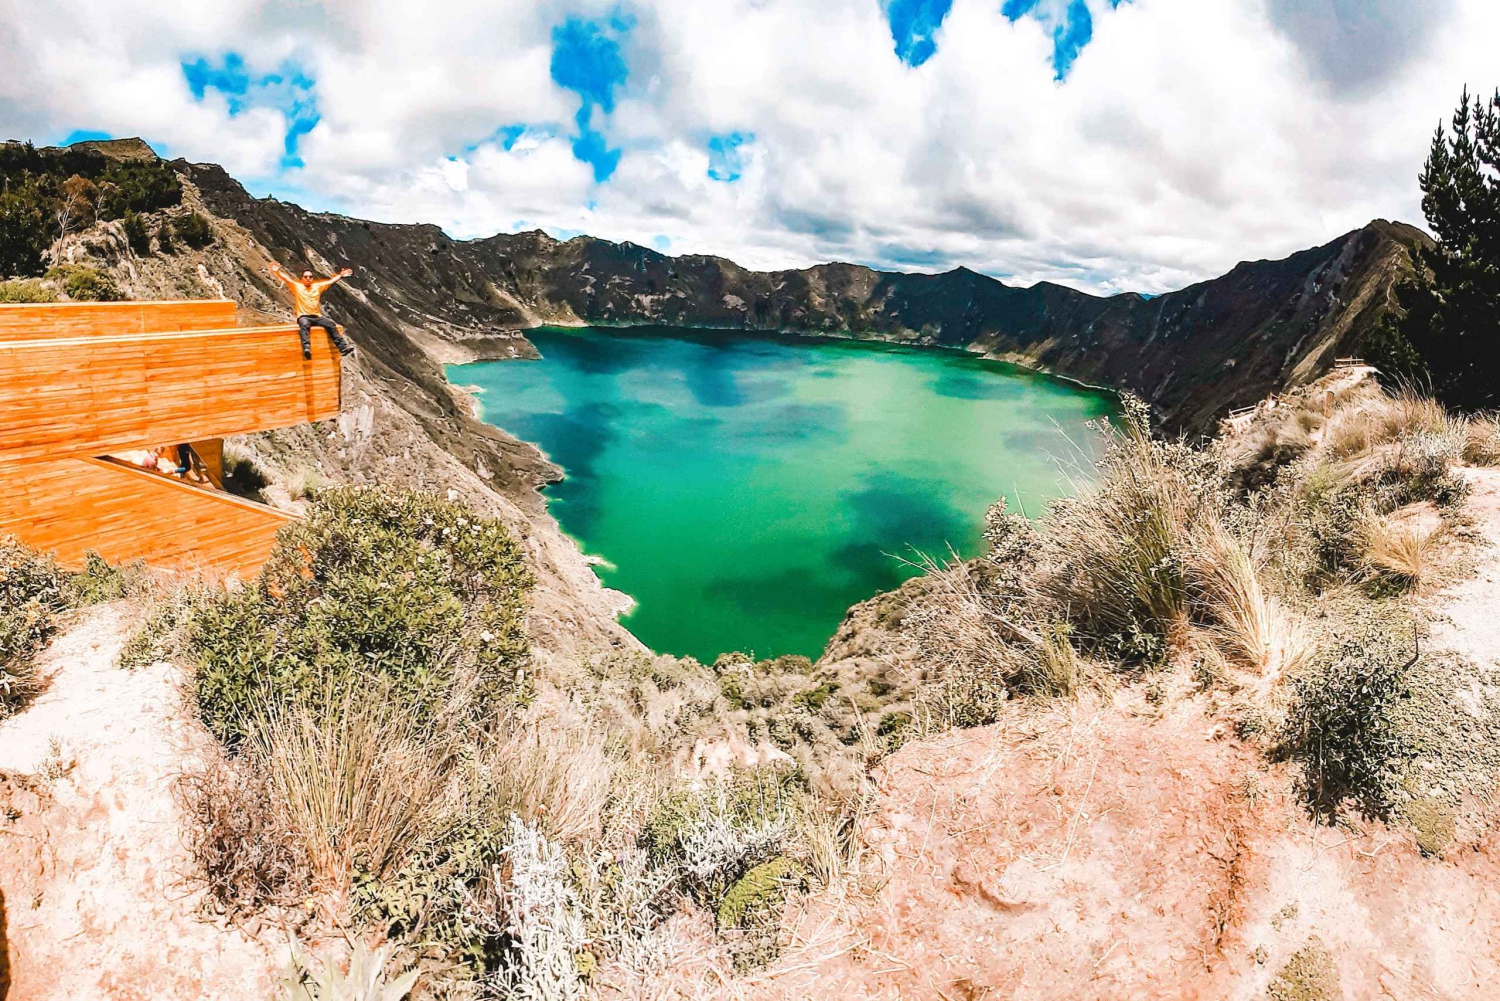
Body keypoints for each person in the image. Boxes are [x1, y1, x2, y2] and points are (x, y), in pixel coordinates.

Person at [266, 261, 358, 360]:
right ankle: (307, 349)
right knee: (304, 325)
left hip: (316, 316)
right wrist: (277, 271)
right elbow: (287, 279)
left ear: (312, 278)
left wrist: (341, 275)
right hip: (303, 316)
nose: (308, 278)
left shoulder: (317, 287)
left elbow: (330, 281)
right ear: (302, 278)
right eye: (306, 277)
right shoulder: (297, 287)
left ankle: (343, 348)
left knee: (330, 324)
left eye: (310, 277)